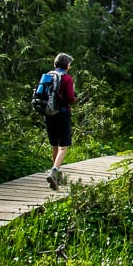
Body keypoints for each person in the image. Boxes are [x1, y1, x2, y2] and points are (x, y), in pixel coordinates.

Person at [44, 53, 77, 189]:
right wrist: (75, 99)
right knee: (63, 146)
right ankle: (54, 171)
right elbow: (70, 97)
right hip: (62, 113)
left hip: (48, 113)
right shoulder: (67, 78)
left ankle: (55, 176)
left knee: (54, 145)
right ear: (66, 65)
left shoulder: (48, 75)